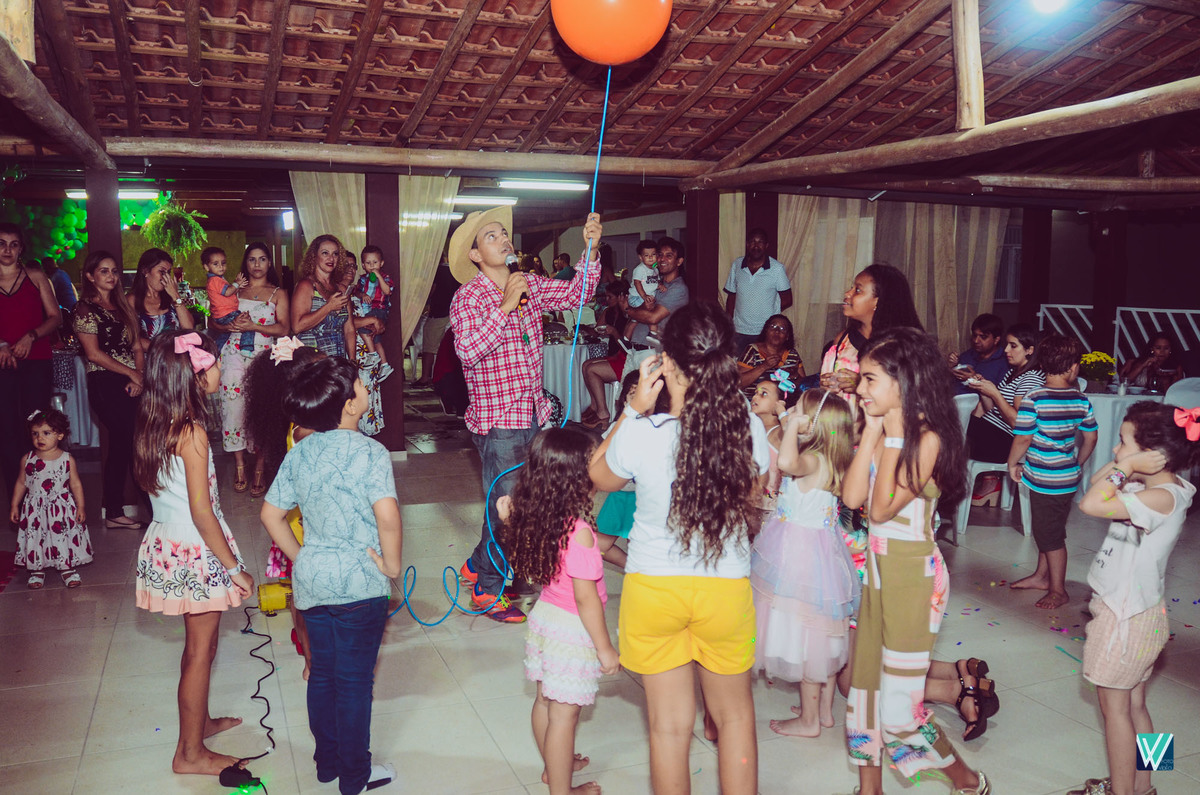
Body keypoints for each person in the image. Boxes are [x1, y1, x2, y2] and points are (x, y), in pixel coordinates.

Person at [589, 302, 770, 795]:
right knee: (735, 719)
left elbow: (598, 475)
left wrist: (632, 409)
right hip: (725, 589)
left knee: (669, 730)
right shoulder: (748, 427)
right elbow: (754, 493)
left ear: (666, 362)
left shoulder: (643, 434)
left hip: (654, 590)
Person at [842, 326, 988, 795]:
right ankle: (869, 789)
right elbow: (852, 498)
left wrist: (889, 436)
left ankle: (969, 782)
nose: (860, 388)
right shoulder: (884, 430)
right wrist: (872, 431)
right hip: (879, 576)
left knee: (900, 714)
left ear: (903, 382)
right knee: (864, 691)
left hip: (912, 581)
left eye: (870, 379)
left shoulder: (925, 439)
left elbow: (881, 509)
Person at [449, 207, 603, 623]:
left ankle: (478, 564)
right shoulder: (468, 297)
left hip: (531, 413)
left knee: (518, 502)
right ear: (476, 255)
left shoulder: (529, 283)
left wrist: (591, 250)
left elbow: (577, 295)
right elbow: (468, 351)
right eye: (491, 236)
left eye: (504, 233)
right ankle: (487, 589)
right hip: (499, 420)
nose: (503, 239)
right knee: (508, 506)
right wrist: (505, 306)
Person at [261, 355, 401, 795]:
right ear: (350, 406)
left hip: (313, 580)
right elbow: (388, 516)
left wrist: (302, 558)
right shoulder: (371, 452)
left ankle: (327, 764)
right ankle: (356, 777)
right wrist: (392, 565)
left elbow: (271, 515)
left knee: (322, 673)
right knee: (355, 682)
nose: (366, 388)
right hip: (361, 583)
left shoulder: (299, 452)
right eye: (361, 384)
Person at [131, 330, 258, 785]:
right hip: (195, 548)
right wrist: (235, 568)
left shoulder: (155, 422)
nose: (220, 368)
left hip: (170, 540)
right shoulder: (193, 433)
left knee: (200, 646)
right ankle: (189, 752)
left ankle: (199, 723)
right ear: (195, 374)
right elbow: (202, 512)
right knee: (200, 650)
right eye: (214, 361)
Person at [1072, 401, 1198, 795]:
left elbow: (1090, 503)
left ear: (1152, 454)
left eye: (1123, 443)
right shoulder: (1163, 487)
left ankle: (1123, 792)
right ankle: (1145, 786)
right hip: (1143, 615)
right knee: (1136, 705)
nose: (1115, 451)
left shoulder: (1161, 498)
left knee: (1116, 712)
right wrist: (1128, 463)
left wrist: (1127, 467)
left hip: (1123, 620)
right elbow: (1097, 484)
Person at [498, 427, 619, 795]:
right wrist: (604, 648)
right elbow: (586, 600)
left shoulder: (534, 515)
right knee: (564, 716)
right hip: (573, 630)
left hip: (545, 619)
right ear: (579, 477)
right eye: (596, 463)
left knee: (544, 702)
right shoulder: (579, 532)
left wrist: (507, 518)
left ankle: (556, 767)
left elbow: (516, 531)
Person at [753, 388, 858, 739]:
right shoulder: (831, 459)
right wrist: (791, 420)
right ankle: (824, 712)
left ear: (813, 424)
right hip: (822, 554)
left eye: (799, 410)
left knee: (805, 638)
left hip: (799, 558)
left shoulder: (810, 460)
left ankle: (809, 720)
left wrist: (791, 425)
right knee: (824, 636)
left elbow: (785, 462)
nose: (792, 414)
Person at [1008, 333, 1098, 610]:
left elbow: (1023, 438)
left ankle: (1058, 590)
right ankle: (1040, 576)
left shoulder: (1034, 399)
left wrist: (1012, 463)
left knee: (1050, 537)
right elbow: (1091, 437)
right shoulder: (1081, 400)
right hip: (1066, 478)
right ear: (1073, 367)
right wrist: (1078, 464)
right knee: (1050, 529)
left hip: (1046, 480)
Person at [74, 251, 146, 529]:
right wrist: (131, 373)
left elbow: (137, 347)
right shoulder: (84, 309)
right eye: (104, 271)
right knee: (127, 441)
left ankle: (116, 511)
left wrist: (138, 376)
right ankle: (138, 507)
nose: (111, 276)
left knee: (126, 443)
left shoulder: (123, 306)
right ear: (90, 276)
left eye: (114, 271)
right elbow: (93, 354)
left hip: (132, 380)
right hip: (104, 382)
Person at [218, 243, 290, 496]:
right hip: (233, 353)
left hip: (263, 355)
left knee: (261, 409)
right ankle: (240, 465)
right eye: (251, 259)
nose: (257, 264)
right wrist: (227, 327)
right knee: (233, 406)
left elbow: (284, 328)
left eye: (262, 259)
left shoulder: (278, 293)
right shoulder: (234, 290)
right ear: (245, 263)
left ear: (269, 263)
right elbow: (215, 320)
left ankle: (259, 466)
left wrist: (254, 327)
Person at [0, 223, 62, 509]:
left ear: (21, 249)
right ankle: (19, 502)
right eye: (2, 244)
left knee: (37, 429)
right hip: (3, 362)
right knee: (6, 431)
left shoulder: (35, 276)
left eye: (13, 244)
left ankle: (42, 497)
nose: (7, 250)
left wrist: (31, 336)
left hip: (37, 360)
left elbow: (56, 317)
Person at [820, 263, 922, 410]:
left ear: (878, 301)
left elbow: (913, 396)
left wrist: (862, 384)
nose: (847, 293)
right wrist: (826, 385)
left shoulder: (902, 346)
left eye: (858, 290)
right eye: (852, 288)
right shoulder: (843, 340)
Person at [964, 323, 1044, 506]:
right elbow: (992, 410)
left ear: (1030, 350)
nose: (1006, 350)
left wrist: (995, 394)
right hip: (994, 434)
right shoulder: (1013, 373)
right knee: (950, 428)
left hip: (1006, 443)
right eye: (1007, 345)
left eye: (1013, 346)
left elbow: (1019, 423)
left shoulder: (1031, 378)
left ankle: (943, 494)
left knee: (947, 434)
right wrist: (985, 390)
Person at [10, 407, 90, 589]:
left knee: (61, 537)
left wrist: (81, 506)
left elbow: (76, 484)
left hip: (60, 509)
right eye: (35, 433)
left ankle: (66, 568)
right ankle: (37, 569)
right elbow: (21, 482)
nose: (40, 438)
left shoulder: (67, 459)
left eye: (46, 433)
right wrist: (14, 505)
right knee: (36, 537)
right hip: (35, 509)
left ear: (60, 435)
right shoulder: (27, 459)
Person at [618, 236, 689, 378]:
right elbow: (639, 311)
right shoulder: (654, 283)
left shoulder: (678, 288)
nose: (662, 259)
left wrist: (627, 310)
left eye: (669, 256)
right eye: (660, 255)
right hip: (635, 351)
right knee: (625, 392)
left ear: (679, 261)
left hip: (653, 354)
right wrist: (632, 310)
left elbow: (652, 318)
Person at [724, 228, 793, 353]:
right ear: (747, 244)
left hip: (764, 332)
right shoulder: (737, 265)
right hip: (739, 331)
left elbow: (787, 299)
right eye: (752, 242)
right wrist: (729, 324)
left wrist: (767, 313)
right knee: (738, 364)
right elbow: (732, 296)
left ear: (766, 245)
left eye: (760, 242)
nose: (756, 246)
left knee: (763, 364)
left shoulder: (777, 269)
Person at [291, 235, 357, 359]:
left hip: (337, 359)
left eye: (335, 254)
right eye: (325, 253)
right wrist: (329, 307)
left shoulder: (341, 289)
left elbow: (349, 329)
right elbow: (297, 326)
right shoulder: (306, 285)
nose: (331, 258)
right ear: (314, 256)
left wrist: (352, 361)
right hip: (312, 361)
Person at [579, 279, 631, 430]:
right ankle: (595, 406)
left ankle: (603, 414)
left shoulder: (628, 314)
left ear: (621, 296)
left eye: (610, 297)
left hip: (625, 356)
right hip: (617, 354)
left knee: (591, 370)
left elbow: (627, 345)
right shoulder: (608, 312)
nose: (607, 300)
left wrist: (614, 332)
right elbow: (597, 330)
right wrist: (583, 327)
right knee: (586, 364)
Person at [131, 248, 195, 349]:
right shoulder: (132, 300)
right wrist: (164, 350)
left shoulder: (171, 299)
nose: (166, 277)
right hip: (151, 356)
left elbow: (189, 328)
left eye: (168, 272)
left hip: (176, 356)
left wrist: (175, 295)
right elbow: (132, 337)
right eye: (161, 271)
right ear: (145, 271)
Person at [352, 245, 395, 380]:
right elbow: (356, 292)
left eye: (375, 262)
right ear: (363, 265)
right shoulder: (362, 279)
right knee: (375, 339)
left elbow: (387, 291)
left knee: (363, 329)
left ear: (381, 263)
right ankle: (385, 365)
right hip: (368, 311)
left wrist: (378, 276)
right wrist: (362, 295)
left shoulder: (385, 278)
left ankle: (373, 355)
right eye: (368, 263)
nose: (372, 266)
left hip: (379, 310)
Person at [736, 313, 804, 397]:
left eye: (782, 328)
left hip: (783, 402)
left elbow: (804, 387)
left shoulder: (792, 354)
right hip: (754, 400)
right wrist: (764, 366)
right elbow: (738, 384)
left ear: (787, 336)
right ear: (766, 331)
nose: (777, 331)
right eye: (773, 326)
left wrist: (795, 376)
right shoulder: (752, 350)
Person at [416, 255, 457, 386]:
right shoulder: (455, 270)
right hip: (454, 312)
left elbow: (430, 291)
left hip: (439, 312)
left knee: (429, 346)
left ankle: (425, 378)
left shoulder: (436, 272)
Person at [203, 247, 250, 351]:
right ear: (206, 267)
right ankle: (247, 348)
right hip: (227, 313)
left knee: (224, 335)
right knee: (246, 324)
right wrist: (237, 284)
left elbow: (229, 294)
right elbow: (228, 292)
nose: (221, 266)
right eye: (216, 264)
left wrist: (237, 286)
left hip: (221, 315)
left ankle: (216, 351)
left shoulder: (217, 280)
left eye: (223, 263)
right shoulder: (215, 280)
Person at [948, 313, 1008, 394]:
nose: (976, 341)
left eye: (983, 337)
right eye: (975, 335)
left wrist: (973, 379)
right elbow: (947, 383)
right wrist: (950, 366)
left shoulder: (1005, 363)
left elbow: (1000, 397)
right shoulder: (967, 355)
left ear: (996, 340)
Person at [1119, 331, 1184, 392]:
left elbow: (1176, 390)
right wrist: (1143, 365)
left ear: (1170, 350)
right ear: (1152, 349)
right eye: (1158, 348)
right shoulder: (1138, 362)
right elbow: (1124, 382)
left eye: (1166, 348)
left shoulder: (1176, 367)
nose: (1162, 352)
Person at [622, 239, 659, 342]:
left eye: (653, 254)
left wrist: (659, 285)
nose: (650, 257)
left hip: (643, 298)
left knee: (634, 321)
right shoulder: (640, 269)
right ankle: (653, 335)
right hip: (637, 297)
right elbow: (637, 283)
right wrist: (644, 296)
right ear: (640, 257)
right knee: (652, 313)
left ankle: (625, 340)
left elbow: (653, 282)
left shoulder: (655, 270)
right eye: (646, 255)